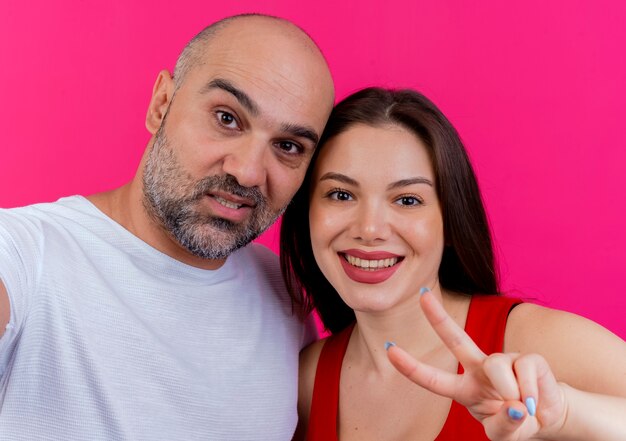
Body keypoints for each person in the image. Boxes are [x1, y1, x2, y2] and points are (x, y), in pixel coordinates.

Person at [0, 14, 334, 440]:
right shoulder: (29, 254)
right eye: (226, 118)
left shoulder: (287, 295)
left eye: (288, 147)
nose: (249, 172)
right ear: (162, 104)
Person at [281, 87, 626, 440]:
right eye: (341, 195)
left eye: (407, 200)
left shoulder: (532, 340)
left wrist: (565, 413)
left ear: (449, 221)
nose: (369, 229)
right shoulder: (302, 383)